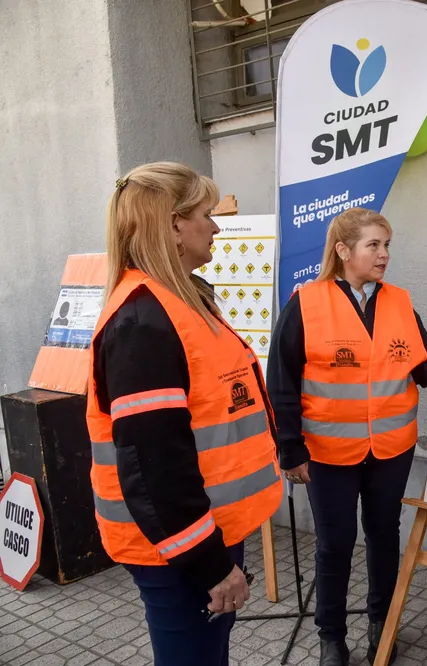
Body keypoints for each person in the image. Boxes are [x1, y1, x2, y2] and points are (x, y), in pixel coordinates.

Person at [87, 162, 283, 665]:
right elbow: (154, 468)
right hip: (180, 548)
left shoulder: (179, 301)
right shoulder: (142, 323)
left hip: (202, 535)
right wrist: (211, 565)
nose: (216, 226)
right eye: (205, 214)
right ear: (174, 224)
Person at [267, 207, 427, 666]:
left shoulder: (400, 301)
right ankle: (331, 637)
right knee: (335, 544)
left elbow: (417, 361)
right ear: (343, 250)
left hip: (391, 450)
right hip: (328, 452)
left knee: (383, 536)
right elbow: (280, 380)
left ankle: (382, 621)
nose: (383, 255)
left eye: (387, 246)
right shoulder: (306, 303)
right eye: (373, 245)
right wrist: (291, 447)